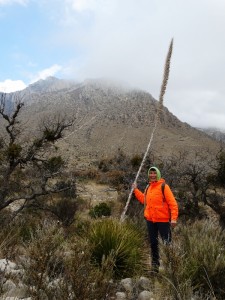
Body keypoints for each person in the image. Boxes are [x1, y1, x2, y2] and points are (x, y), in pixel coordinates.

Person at [132, 166, 178, 272]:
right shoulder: (148, 187)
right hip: (150, 220)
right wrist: (135, 190)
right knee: (153, 243)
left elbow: (173, 203)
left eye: (154, 173)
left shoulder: (164, 186)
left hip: (163, 221)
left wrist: (174, 218)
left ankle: (171, 268)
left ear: (158, 174)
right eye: (150, 173)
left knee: (167, 243)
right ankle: (155, 267)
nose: (152, 175)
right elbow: (144, 200)